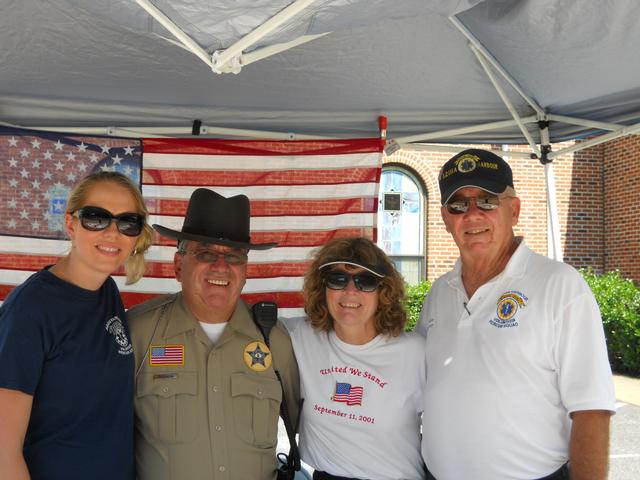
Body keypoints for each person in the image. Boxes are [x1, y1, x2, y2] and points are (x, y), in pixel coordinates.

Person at [417, 149, 616, 480]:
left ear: (515, 209)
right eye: (458, 204)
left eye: (487, 201)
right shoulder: (439, 291)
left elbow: (592, 409)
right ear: (445, 217)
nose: (472, 214)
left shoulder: (559, 285)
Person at [128, 188, 300, 480]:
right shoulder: (139, 333)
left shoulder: (274, 339)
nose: (221, 267)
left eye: (234, 256)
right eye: (206, 253)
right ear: (179, 265)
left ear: (245, 270)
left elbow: (305, 427)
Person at [0, 171, 153, 480]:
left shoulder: (107, 292)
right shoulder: (30, 310)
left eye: (127, 222)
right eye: (96, 218)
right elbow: (4, 450)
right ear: (70, 223)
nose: (113, 233)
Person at [285, 237, 426, 480]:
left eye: (366, 281)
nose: (350, 291)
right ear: (323, 288)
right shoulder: (300, 336)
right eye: (338, 280)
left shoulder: (415, 353)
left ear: (383, 291)